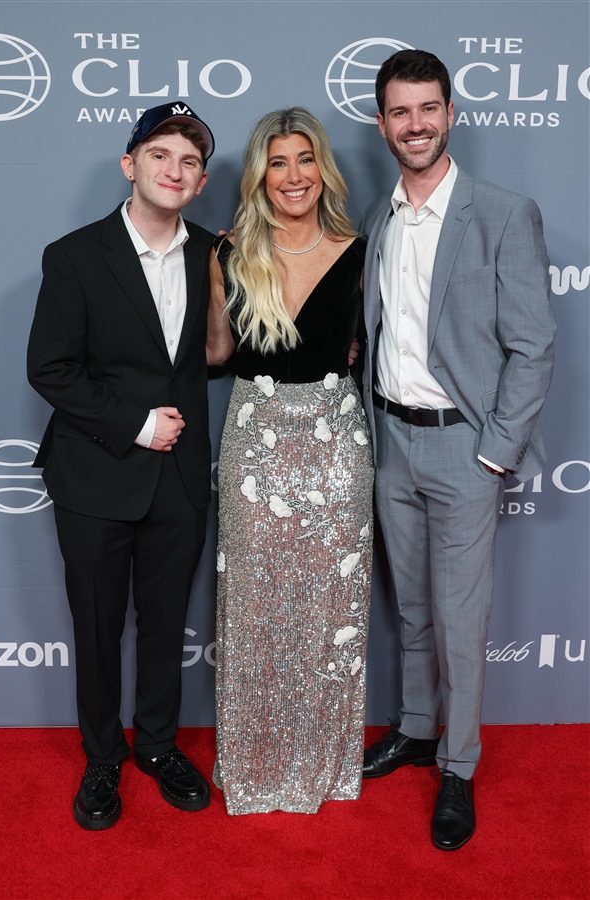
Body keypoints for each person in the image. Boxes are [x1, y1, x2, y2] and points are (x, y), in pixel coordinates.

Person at [360, 50, 556, 850]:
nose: (416, 125)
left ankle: (459, 765)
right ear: (382, 124)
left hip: (463, 448)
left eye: (428, 109)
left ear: (450, 114)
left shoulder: (503, 213)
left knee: (459, 618)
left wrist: (495, 451)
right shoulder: (378, 219)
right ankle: (415, 728)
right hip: (390, 440)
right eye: (400, 112)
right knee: (410, 606)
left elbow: (533, 347)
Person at [27, 102, 216, 830]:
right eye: (160, 154)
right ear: (130, 164)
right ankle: (103, 756)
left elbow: (228, 345)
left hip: (179, 479)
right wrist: (137, 426)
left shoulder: (214, 254)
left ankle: (159, 746)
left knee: (166, 626)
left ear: (201, 183)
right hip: (95, 473)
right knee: (98, 627)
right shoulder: (75, 255)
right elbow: (50, 368)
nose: (175, 169)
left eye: (190, 161)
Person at [207, 107, 374, 814]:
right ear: (260, 177)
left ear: (323, 169)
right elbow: (216, 353)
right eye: (278, 163)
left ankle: (322, 762)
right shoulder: (227, 254)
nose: (294, 175)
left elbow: (378, 343)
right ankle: (255, 762)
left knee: (332, 610)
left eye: (305, 159)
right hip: (256, 446)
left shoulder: (361, 251)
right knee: (255, 609)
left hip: (338, 447)